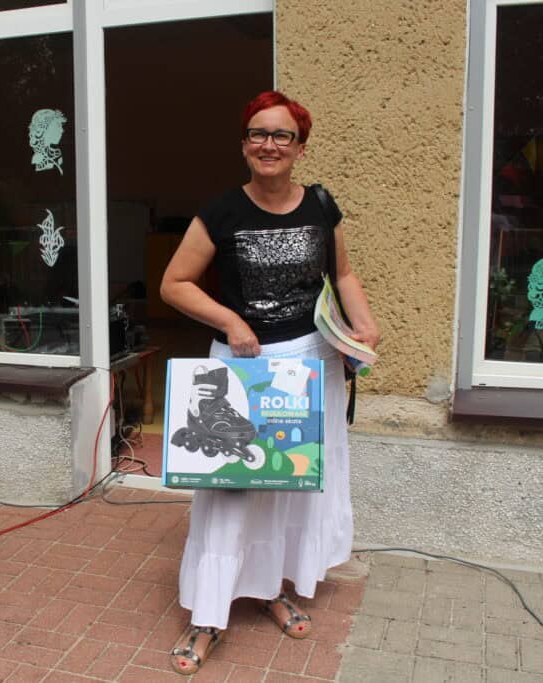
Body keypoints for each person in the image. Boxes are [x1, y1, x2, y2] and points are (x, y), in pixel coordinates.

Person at [159, 91, 380, 675]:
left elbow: (344, 275)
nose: (269, 144)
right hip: (244, 367)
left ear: (300, 147)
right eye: (258, 133)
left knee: (288, 488)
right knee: (229, 494)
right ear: (244, 144)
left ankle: (271, 589)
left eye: (282, 135)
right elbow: (174, 284)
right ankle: (207, 615)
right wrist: (231, 321)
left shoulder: (322, 206)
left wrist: (363, 325)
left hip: (310, 363)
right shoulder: (221, 212)